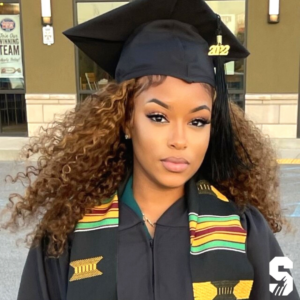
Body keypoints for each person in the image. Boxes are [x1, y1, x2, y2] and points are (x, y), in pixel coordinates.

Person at [1, 0, 299, 299]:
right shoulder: (66, 234)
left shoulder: (244, 229)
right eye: (158, 117)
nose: (180, 140)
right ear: (126, 121)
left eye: (198, 121)